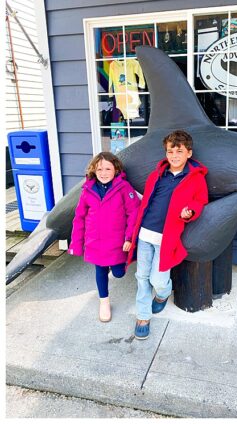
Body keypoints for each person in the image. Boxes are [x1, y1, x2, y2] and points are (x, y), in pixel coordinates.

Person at [126, 130, 209, 340]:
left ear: (188, 153)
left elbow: (200, 201)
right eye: (170, 151)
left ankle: (163, 294)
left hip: (167, 238)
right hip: (145, 233)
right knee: (142, 276)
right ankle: (143, 316)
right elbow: (147, 202)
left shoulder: (195, 178)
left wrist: (189, 210)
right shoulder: (157, 175)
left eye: (179, 151)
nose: (174, 155)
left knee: (158, 280)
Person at [69, 152, 140, 322]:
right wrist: (76, 244)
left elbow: (134, 212)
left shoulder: (123, 187)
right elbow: (79, 218)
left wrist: (129, 237)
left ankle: (114, 266)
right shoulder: (87, 190)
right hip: (95, 241)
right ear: (94, 170)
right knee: (100, 270)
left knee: (118, 273)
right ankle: (104, 302)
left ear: (116, 169)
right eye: (99, 168)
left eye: (108, 168)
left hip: (117, 242)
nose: (103, 172)